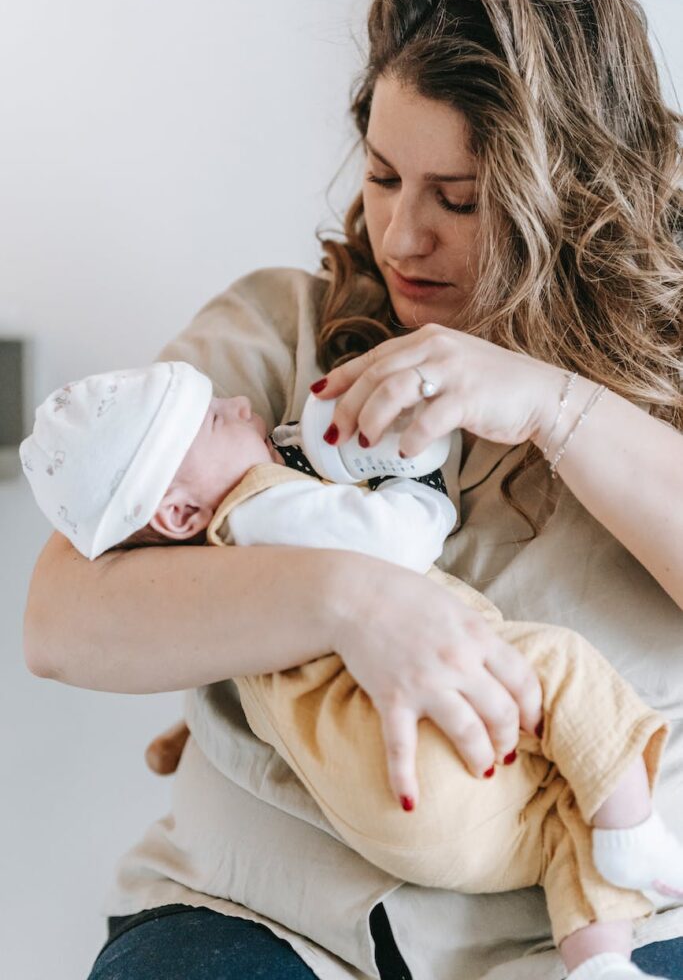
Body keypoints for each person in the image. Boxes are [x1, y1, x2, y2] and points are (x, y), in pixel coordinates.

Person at [22, 0, 683, 979]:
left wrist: (556, 407)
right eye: (380, 176)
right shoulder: (275, 336)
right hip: (256, 914)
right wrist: (348, 600)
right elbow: (60, 622)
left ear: (572, 196)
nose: (400, 234)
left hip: (585, 932)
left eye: (456, 199)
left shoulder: (657, 388)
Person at [19, 358, 683, 978]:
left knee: (566, 818)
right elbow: (392, 542)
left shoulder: (222, 568)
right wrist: (417, 483)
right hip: (430, 770)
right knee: (563, 676)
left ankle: (599, 958)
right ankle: (629, 829)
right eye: (218, 417)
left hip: (411, 818)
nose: (242, 403)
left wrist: (552, 403)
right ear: (177, 512)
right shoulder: (257, 501)